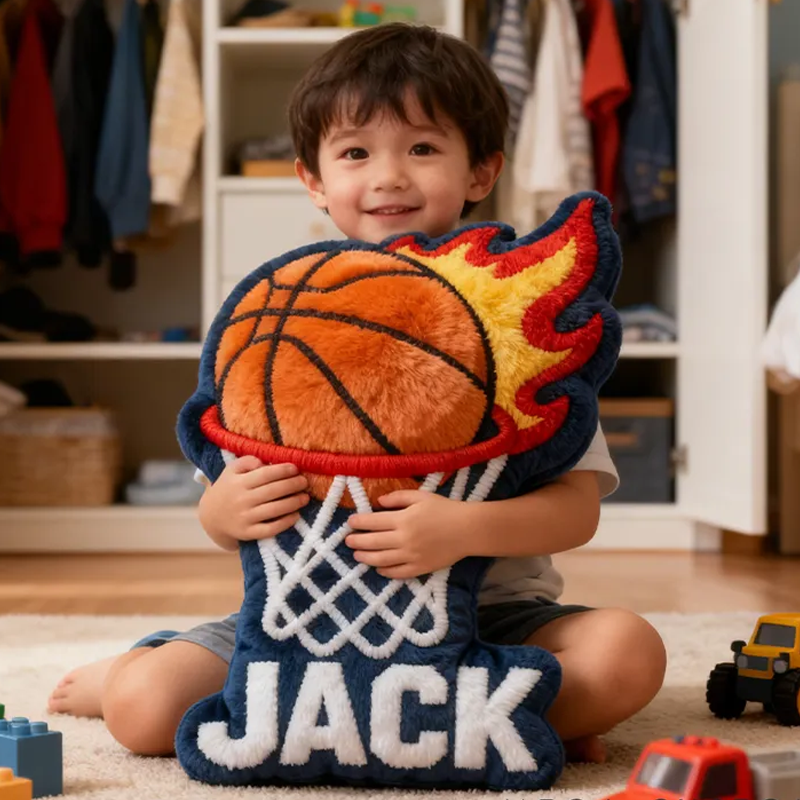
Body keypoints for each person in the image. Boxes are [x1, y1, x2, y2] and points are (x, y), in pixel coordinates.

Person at [48, 23, 666, 765]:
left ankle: (504, 703)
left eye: (423, 148)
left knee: (627, 653)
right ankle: (500, 717)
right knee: (141, 711)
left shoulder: (512, 324)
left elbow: (577, 509)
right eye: (355, 153)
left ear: (481, 172)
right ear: (313, 179)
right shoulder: (279, 319)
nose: (389, 177)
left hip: (493, 615)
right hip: (297, 621)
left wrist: (460, 529)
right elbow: (225, 499)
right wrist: (222, 512)